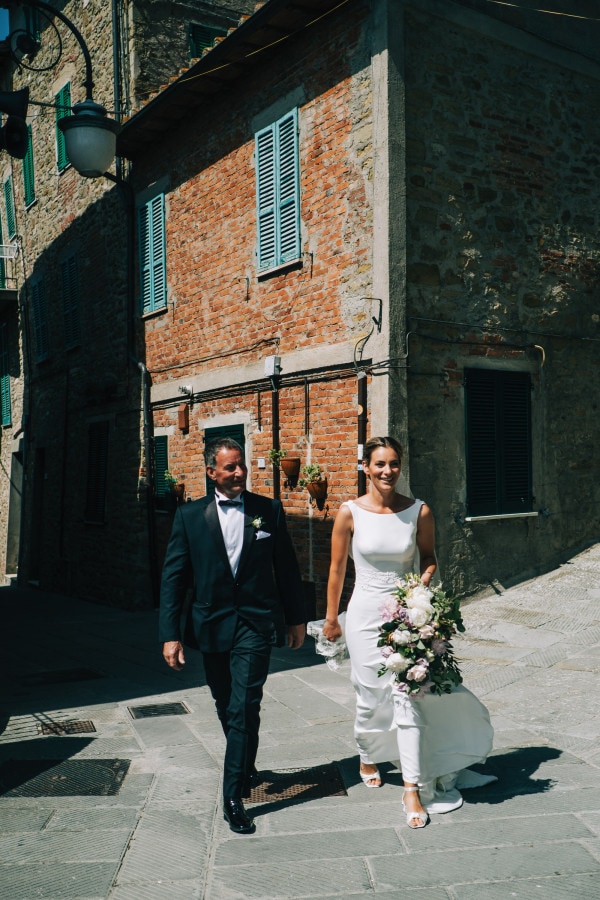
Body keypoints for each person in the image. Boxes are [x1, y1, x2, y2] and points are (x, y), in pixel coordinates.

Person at [323, 436, 494, 829]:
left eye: (394, 464)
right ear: (365, 467)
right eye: (379, 464)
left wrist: (422, 585)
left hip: (406, 614)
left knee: (408, 695)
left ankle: (412, 787)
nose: (387, 471)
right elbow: (335, 571)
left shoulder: (419, 511)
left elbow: (429, 557)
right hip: (364, 615)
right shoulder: (349, 512)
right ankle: (367, 753)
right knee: (369, 695)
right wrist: (332, 619)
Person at [159, 437, 306, 835]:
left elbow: (286, 568)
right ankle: (246, 764)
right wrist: (169, 634)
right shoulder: (190, 516)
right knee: (225, 702)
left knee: (245, 704)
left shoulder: (267, 510)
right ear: (212, 473)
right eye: (229, 467)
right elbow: (174, 577)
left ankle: (231, 795)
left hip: (256, 623)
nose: (239, 472)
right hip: (211, 623)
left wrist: (297, 619)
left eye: (241, 465)